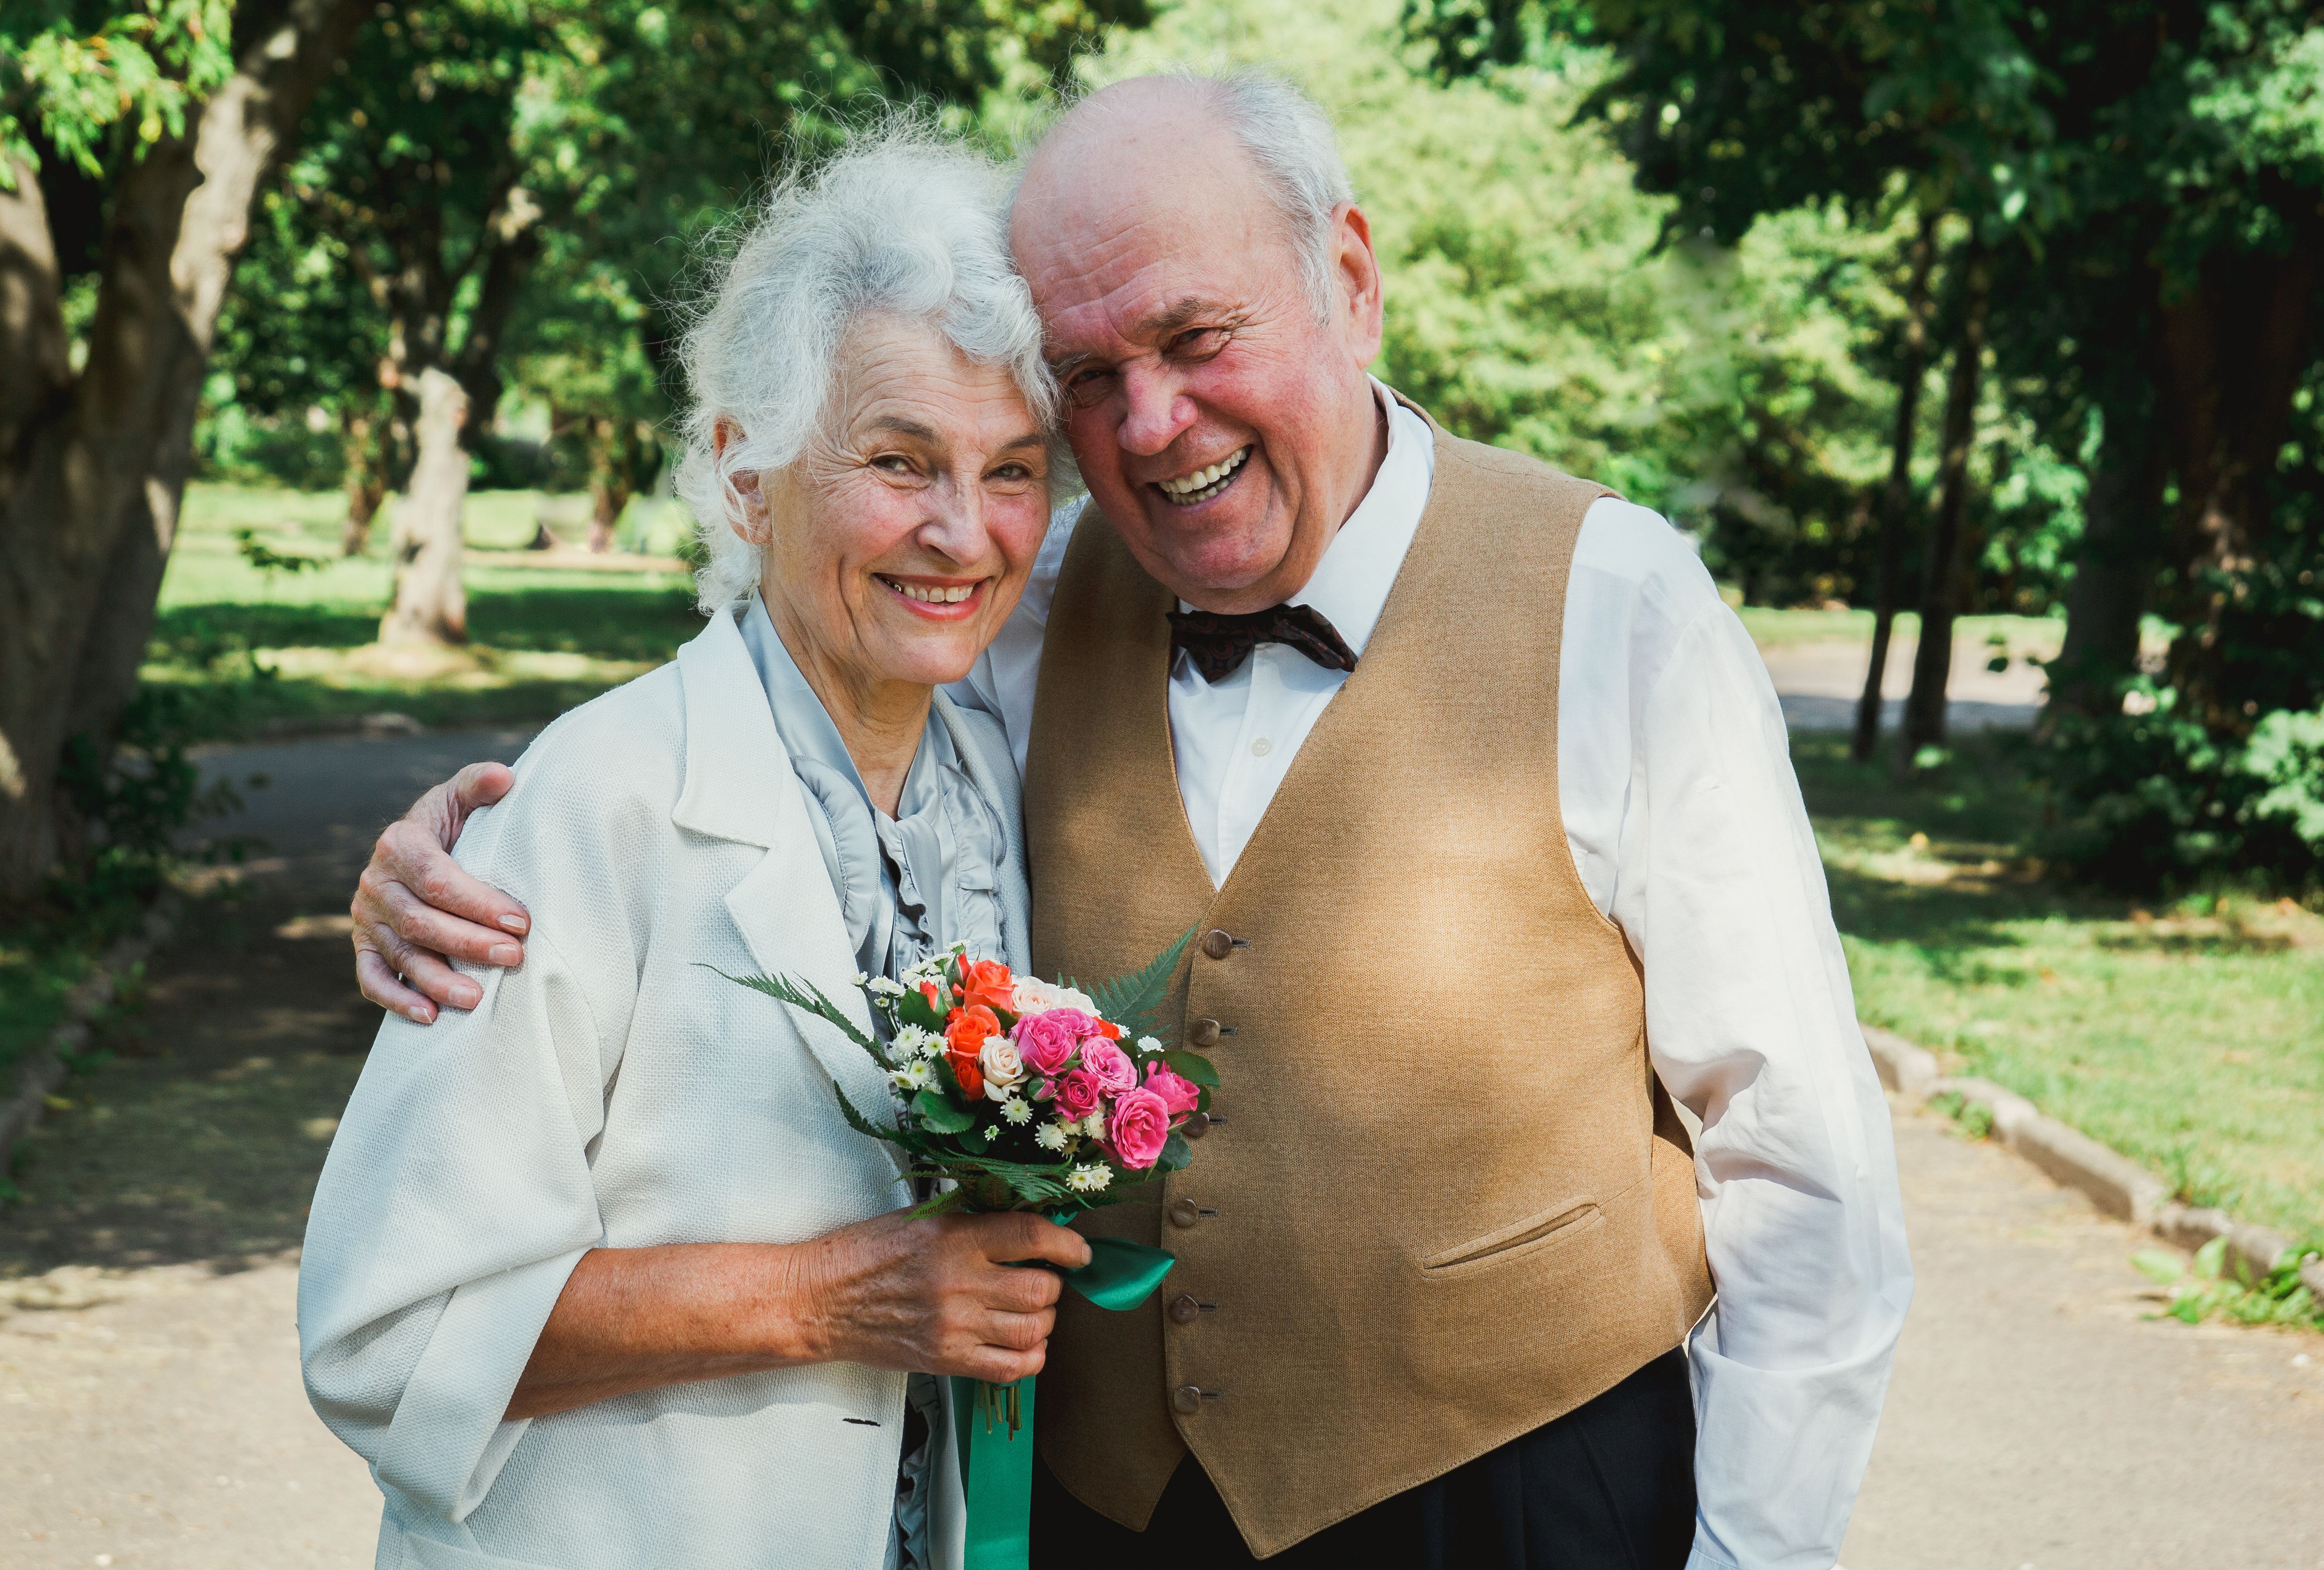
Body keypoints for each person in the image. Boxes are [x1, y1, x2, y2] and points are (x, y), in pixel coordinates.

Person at [349, 72, 1913, 1570]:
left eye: (1197, 335)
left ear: (1350, 277)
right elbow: (789, 669)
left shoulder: (1617, 603)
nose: (1154, 424)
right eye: (1090, 379)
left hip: (1513, 1503)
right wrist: (466, 852)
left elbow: (1799, 1156)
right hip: (1100, 1525)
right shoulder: (1021, 609)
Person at [296, 128, 1091, 1570]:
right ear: (741, 474)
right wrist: (829, 1298)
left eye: (1014, 471)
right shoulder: (593, 804)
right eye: (898, 460)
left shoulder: (993, 773)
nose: (964, 532)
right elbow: (385, 1330)